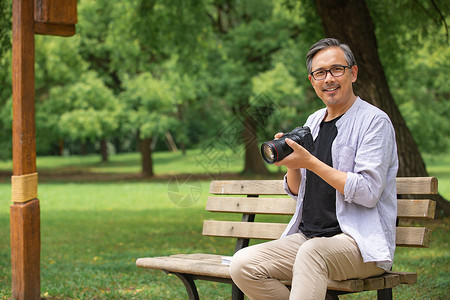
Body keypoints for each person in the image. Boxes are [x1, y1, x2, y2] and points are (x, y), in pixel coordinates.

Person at [229, 38, 399, 300]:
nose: (328, 78)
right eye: (320, 73)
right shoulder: (314, 121)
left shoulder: (374, 122)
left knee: (313, 252)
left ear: (352, 73)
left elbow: (368, 192)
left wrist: (310, 162)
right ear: (312, 81)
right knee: (243, 263)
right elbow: (298, 191)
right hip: (309, 238)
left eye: (336, 70)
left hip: (359, 243)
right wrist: (293, 166)